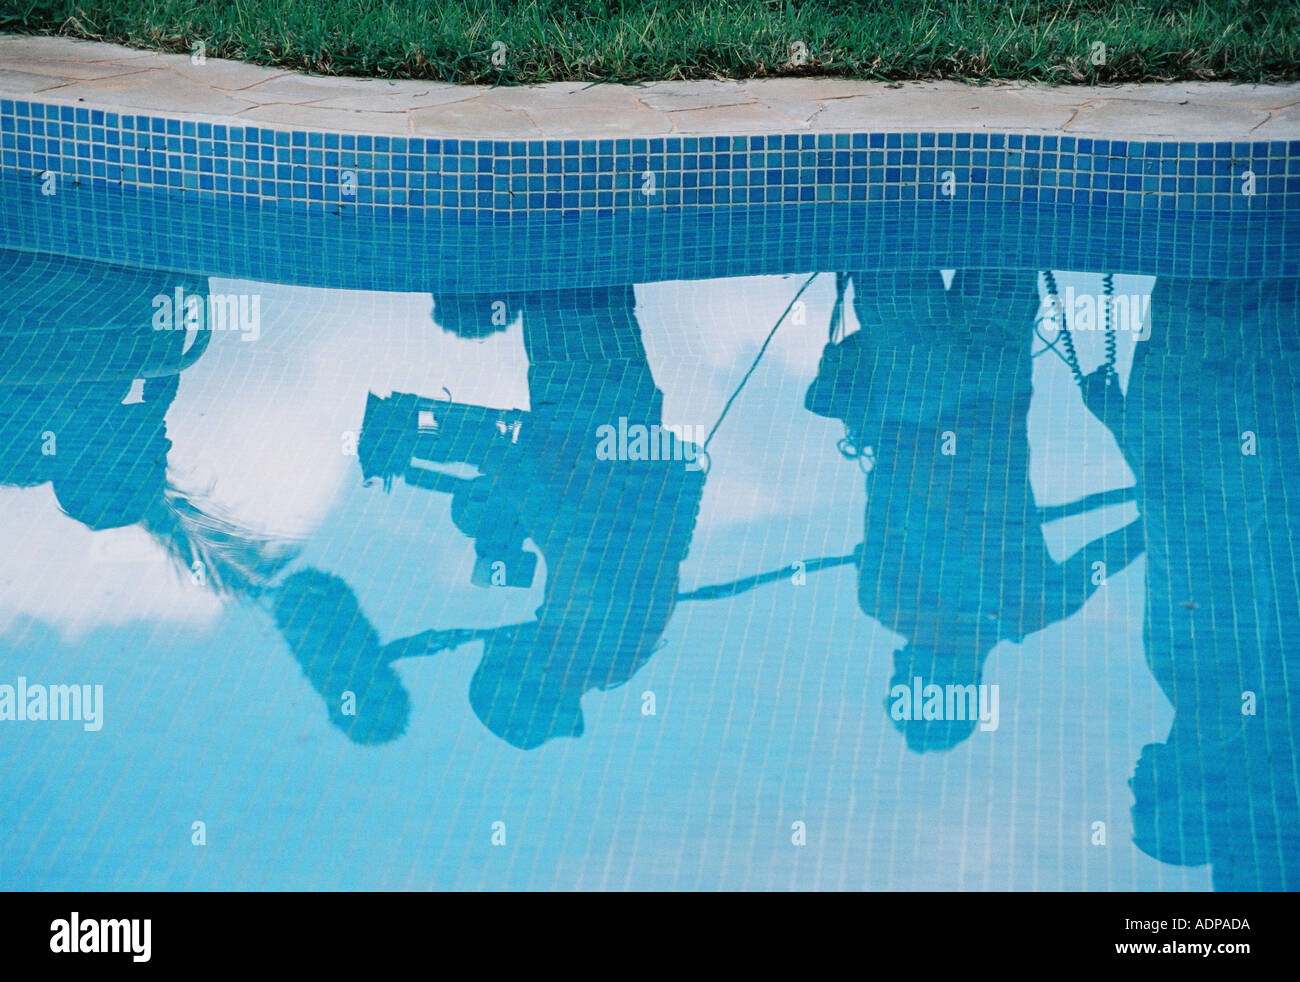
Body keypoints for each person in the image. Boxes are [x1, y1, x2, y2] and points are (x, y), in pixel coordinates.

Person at [356, 285, 706, 749]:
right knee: (564, 263)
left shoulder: (606, 650)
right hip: (592, 400)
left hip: (604, 414)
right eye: (499, 659)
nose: (499, 643)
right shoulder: (595, 633)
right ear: (531, 683)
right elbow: (549, 498)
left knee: (581, 272)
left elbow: (558, 499)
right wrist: (413, 436)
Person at [805, 268, 1140, 752]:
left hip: (995, 386)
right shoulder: (880, 599)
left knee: (1004, 215)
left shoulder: (1033, 609)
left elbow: (1141, 534)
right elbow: (878, 521)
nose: (896, 664)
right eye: (901, 682)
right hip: (908, 387)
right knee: (889, 219)